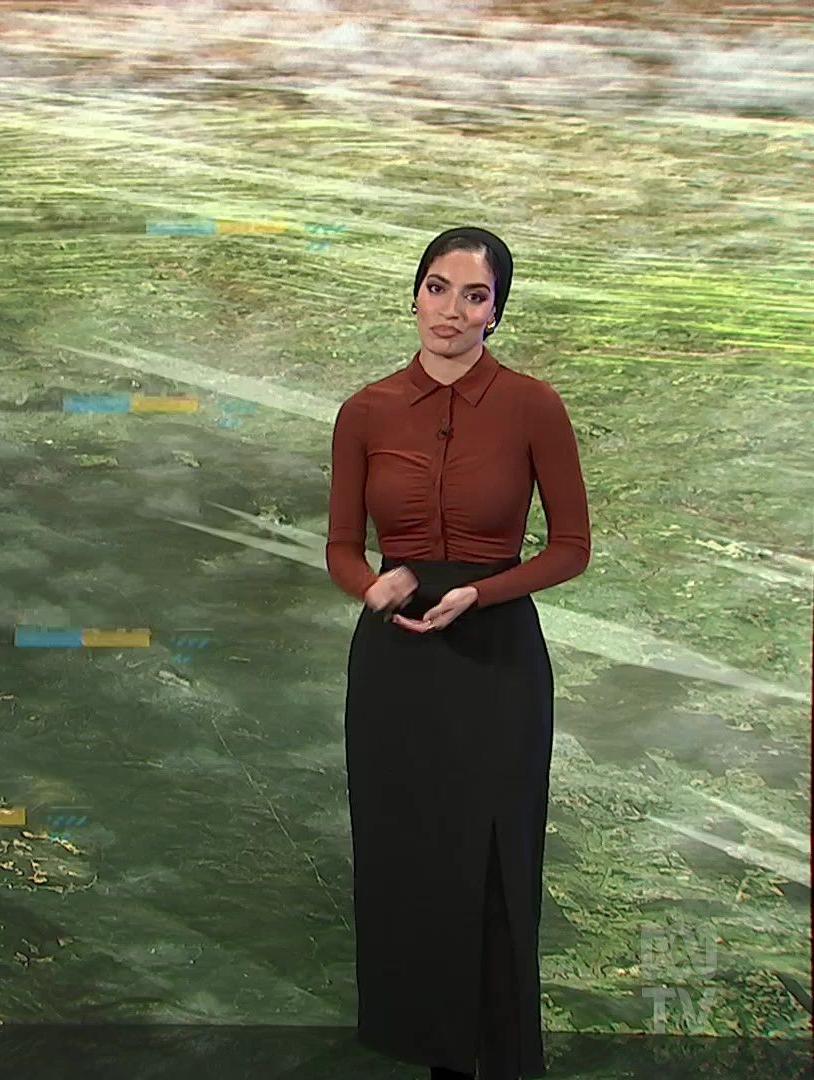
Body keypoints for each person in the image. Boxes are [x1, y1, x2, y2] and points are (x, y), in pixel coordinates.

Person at [325, 227, 592, 1079]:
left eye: (475, 296)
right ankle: (432, 1051)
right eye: (438, 288)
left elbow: (572, 547)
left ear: (496, 313)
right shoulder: (365, 411)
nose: (452, 310)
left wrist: (483, 592)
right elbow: (340, 546)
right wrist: (372, 587)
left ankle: (500, 1059)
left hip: (497, 656)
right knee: (408, 857)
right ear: (415, 295)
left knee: (495, 855)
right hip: (397, 666)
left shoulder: (533, 406)